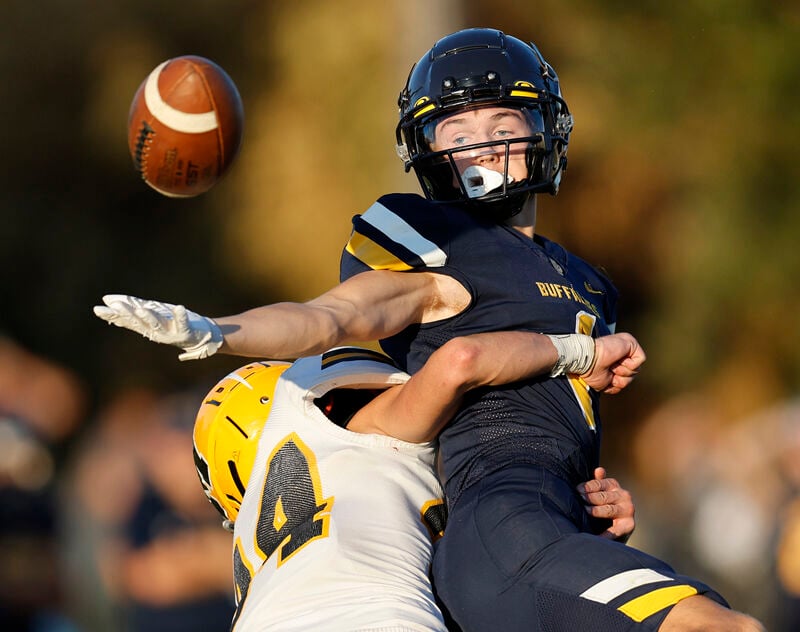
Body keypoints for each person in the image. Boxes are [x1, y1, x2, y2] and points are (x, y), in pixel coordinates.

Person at [94, 27, 764, 631]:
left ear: (545, 128)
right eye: (459, 131)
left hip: (531, 530)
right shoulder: (438, 244)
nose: (486, 142)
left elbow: (552, 431)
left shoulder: (588, 282)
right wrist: (218, 329)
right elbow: (334, 315)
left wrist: (594, 499)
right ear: (426, 149)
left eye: (504, 118)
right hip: (501, 525)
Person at [192, 331, 639, 631]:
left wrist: (576, 536)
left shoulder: (267, 572)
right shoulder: (360, 436)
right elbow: (460, 362)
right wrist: (583, 352)